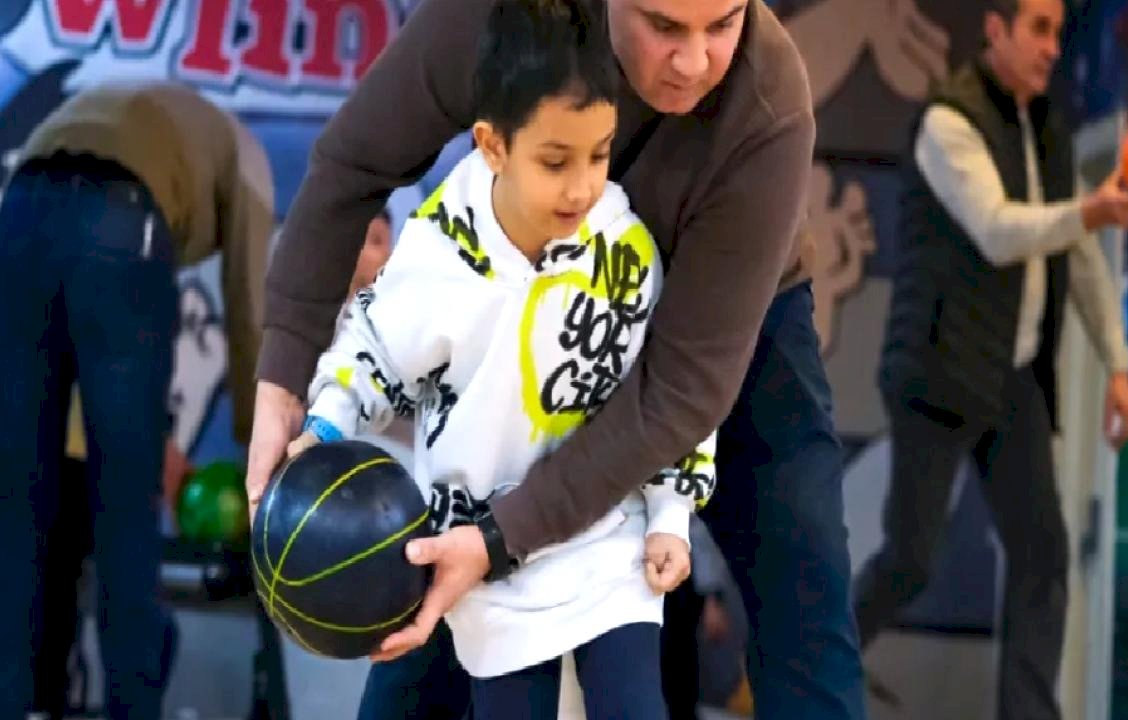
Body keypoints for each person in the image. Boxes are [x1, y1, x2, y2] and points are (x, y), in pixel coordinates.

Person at [246, 0, 868, 715]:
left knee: (805, 601)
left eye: (723, 24)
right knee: (445, 615)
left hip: (724, 324)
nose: (695, 60)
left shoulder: (769, 100)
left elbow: (680, 393)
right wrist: (285, 378)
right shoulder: (493, 19)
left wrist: (501, 538)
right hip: (532, 307)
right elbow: (352, 162)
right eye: (664, 26)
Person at [284, 2, 714, 717]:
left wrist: (671, 513)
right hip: (480, 552)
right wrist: (324, 427)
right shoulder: (439, 250)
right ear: (491, 145)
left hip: (608, 543)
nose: (583, 187)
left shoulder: (628, 254)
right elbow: (373, 350)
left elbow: (673, 394)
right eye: (555, 160)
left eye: (601, 154)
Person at [852, 1, 1128, 718]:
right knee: (910, 563)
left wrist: (1117, 366)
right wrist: (1090, 210)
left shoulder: (1049, 131)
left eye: (1059, 31)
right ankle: (802, 666)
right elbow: (997, 230)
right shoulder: (948, 122)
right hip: (937, 373)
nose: (1053, 47)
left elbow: (1078, 254)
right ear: (995, 29)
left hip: (1013, 376)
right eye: (1039, 29)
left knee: (1043, 556)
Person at [0, 82, 274, 719]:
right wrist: (262, 456)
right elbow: (250, 311)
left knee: (17, 506)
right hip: (120, 217)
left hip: (19, 208)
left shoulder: (149, 119)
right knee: (125, 509)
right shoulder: (247, 156)